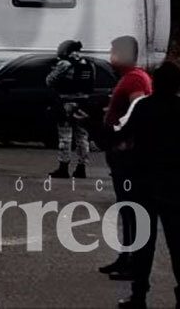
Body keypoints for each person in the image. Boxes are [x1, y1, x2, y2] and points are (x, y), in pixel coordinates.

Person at [117, 61, 180, 309]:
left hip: (144, 183)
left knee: (143, 244)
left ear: (155, 83)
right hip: (175, 185)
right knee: (177, 244)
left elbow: (122, 136)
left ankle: (139, 295)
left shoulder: (144, 107)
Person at [100, 35, 154, 278]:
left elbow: (139, 113)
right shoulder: (131, 78)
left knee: (131, 209)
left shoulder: (134, 79)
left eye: (112, 52)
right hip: (121, 156)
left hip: (128, 158)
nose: (109, 57)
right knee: (126, 208)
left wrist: (124, 142)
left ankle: (132, 261)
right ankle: (125, 257)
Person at [45, 39, 95, 179]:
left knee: (65, 137)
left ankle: (63, 167)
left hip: (66, 102)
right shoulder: (89, 64)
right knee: (83, 137)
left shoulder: (64, 64)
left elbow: (49, 80)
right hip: (84, 103)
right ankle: (81, 167)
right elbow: (91, 84)